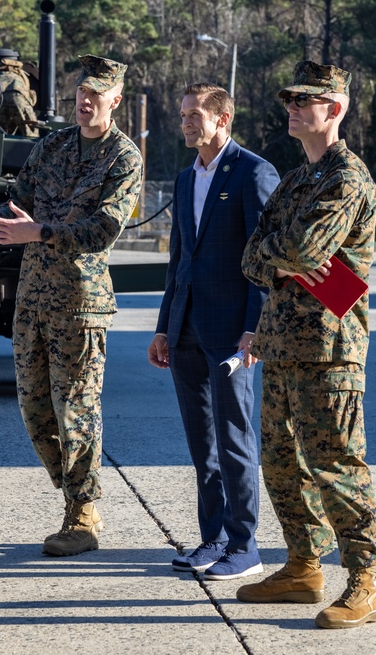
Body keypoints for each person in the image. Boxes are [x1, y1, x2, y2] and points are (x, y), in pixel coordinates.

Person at [0, 54, 143, 557]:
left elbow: (105, 229)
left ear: (115, 101)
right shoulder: (52, 147)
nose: (85, 102)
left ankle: (83, 513)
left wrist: (38, 231)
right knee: (35, 411)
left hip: (80, 304)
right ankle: (73, 492)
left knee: (78, 411)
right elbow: (19, 203)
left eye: (96, 95)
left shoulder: (123, 157)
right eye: (79, 95)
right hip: (32, 299)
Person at [236, 60, 376, 628]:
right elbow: (254, 257)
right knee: (279, 462)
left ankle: (365, 580)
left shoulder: (347, 177)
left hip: (330, 346)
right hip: (282, 341)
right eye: (290, 100)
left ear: (336, 108)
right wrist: (288, 260)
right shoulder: (298, 178)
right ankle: (302, 566)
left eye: (306, 100)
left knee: (336, 465)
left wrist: (287, 258)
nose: (293, 108)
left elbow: (298, 251)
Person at [147, 83, 279, 581]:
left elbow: (263, 261)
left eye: (194, 114)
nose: (184, 121)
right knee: (202, 443)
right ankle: (214, 539)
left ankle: (245, 546)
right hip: (184, 332)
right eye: (182, 113)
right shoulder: (185, 179)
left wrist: (254, 328)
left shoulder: (252, 172)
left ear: (222, 119)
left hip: (230, 333)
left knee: (234, 439)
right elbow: (179, 259)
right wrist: (164, 327)